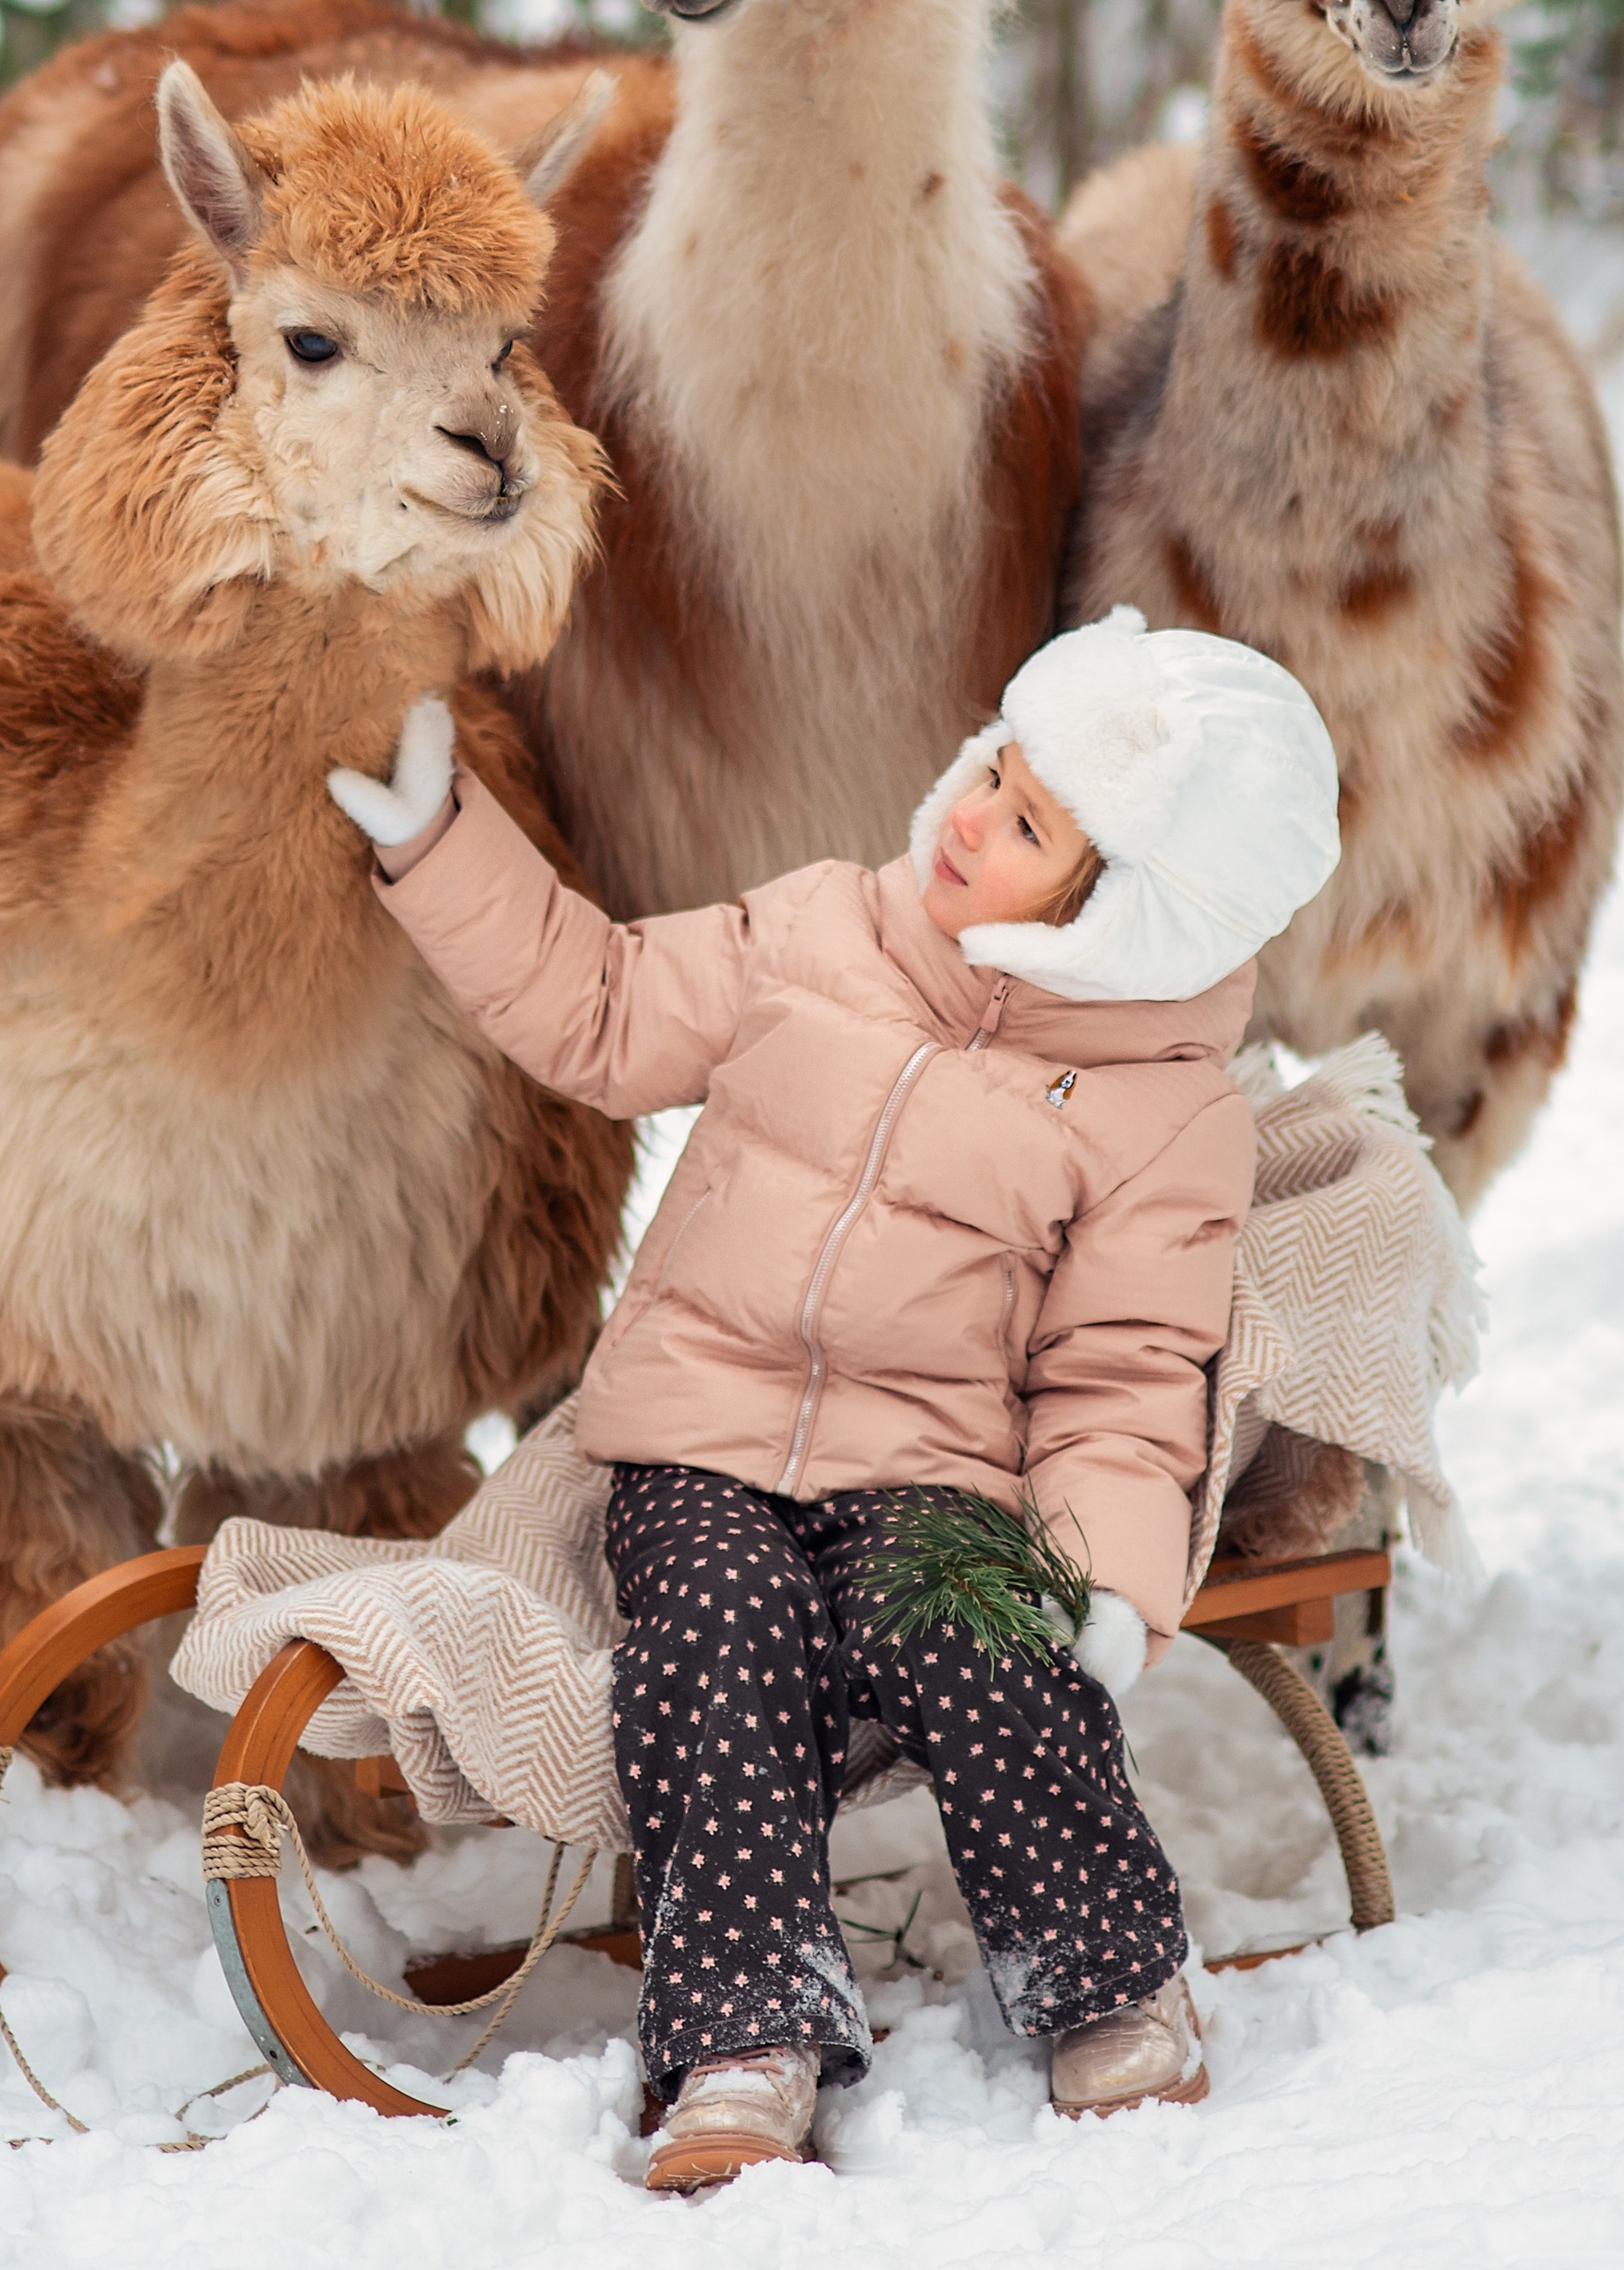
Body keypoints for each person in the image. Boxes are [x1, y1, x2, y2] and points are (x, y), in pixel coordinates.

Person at [328, 605, 1339, 2190]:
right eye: (994, 768)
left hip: (936, 1466)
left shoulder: (1160, 1112)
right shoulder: (821, 931)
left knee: (984, 1637)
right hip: (699, 1435)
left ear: (1123, 916)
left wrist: (1105, 1573)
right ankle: (745, 2026)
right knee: (711, 1642)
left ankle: (1109, 1978)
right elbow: (598, 1001)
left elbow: (1127, 1367)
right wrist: (443, 844)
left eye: (1025, 826)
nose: (965, 816)